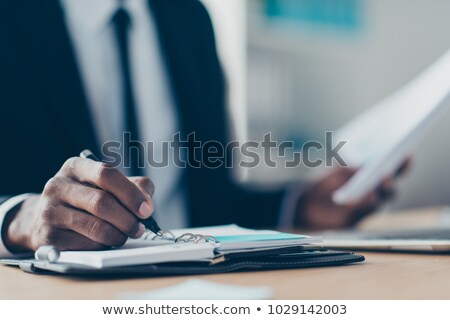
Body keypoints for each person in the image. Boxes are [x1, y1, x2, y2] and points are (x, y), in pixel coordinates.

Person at [0, 0, 408, 257]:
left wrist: (298, 206)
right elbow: (27, 217)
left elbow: (208, 203)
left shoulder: (190, 19)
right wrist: (19, 219)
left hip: (198, 286)